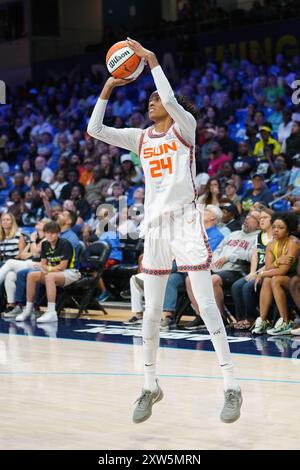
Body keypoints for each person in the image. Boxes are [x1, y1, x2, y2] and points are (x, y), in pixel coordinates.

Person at [88, 38, 242, 424]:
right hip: (155, 226)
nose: (150, 103)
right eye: (150, 100)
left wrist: (152, 60)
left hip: (186, 221)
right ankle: (149, 386)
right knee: (152, 312)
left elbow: (172, 101)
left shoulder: (185, 129)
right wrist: (109, 86)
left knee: (206, 305)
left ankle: (231, 386)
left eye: (154, 99)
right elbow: (94, 129)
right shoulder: (141, 138)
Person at [15, 221, 81, 323]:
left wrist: (48, 269)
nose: (50, 235)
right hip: (53, 272)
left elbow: (62, 267)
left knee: (50, 277)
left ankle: (51, 312)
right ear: (45, 233)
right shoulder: (45, 244)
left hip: (71, 272)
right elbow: (43, 264)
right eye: (48, 233)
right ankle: (28, 309)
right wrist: (46, 268)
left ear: (58, 233)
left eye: (53, 233)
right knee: (31, 275)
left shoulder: (65, 244)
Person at [252, 213, 300, 335]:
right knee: (269, 279)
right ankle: (263, 320)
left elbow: (282, 271)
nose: (276, 230)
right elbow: (268, 267)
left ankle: (285, 321)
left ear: (288, 229)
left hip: (294, 276)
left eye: (280, 227)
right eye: (274, 227)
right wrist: (278, 261)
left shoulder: (293, 243)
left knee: (275, 279)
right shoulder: (271, 245)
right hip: (283, 276)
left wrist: (262, 273)